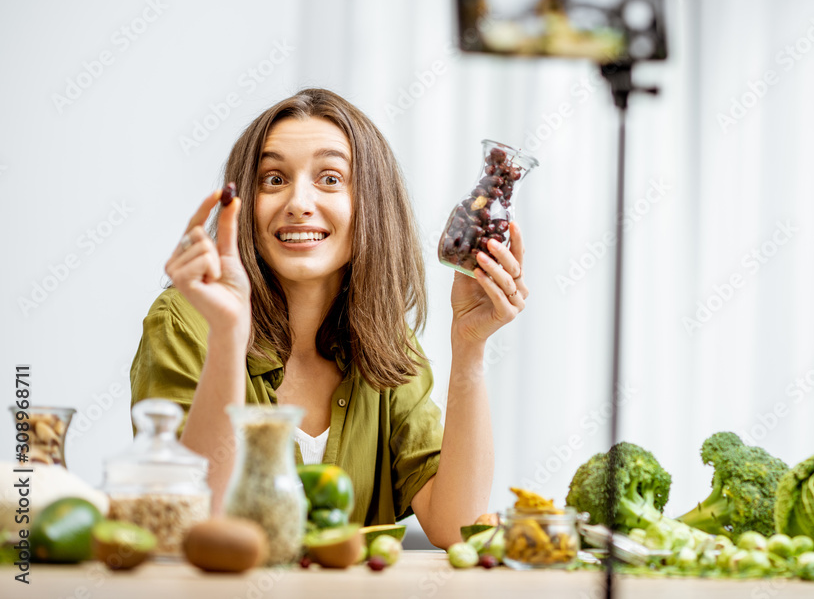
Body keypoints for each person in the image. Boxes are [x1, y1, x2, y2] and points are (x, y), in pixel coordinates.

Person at [129, 88, 528, 548]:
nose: (298, 201)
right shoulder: (184, 321)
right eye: (273, 179)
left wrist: (470, 345)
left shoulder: (387, 347)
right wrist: (227, 335)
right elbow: (192, 522)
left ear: (372, 206)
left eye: (330, 178)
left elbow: (456, 525)